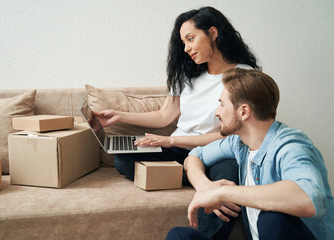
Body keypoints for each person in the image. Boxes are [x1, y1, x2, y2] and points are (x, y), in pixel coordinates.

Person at [95, 7, 260, 238]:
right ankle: (198, 178)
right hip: (179, 150)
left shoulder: (243, 76)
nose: (186, 48)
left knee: (227, 182)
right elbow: (165, 115)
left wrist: (172, 139)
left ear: (213, 33)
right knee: (123, 158)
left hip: (219, 153)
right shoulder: (187, 74)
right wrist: (119, 116)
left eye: (191, 39)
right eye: (183, 42)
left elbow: (233, 136)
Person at [166, 68, 334, 240]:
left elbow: (311, 199)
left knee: (272, 219)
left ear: (244, 112)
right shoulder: (239, 143)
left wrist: (222, 193)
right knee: (179, 235)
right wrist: (205, 186)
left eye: (222, 104)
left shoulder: (291, 145)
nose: (217, 112)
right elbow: (195, 156)